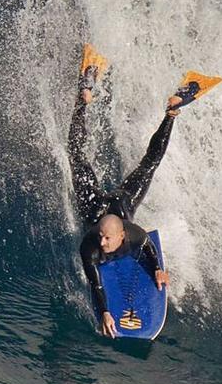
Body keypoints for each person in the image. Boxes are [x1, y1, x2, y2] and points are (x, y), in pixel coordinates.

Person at [69, 44, 185, 338]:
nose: (101, 240)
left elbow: (147, 246)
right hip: (94, 206)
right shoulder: (90, 247)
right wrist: (106, 311)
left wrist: (157, 268)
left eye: (107, 238)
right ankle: (83, 98)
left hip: (121, 204)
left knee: (151, 163)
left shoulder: (135, 235)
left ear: (122, 236)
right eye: (101, 237)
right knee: (75, 154)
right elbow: (95, 283)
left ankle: (171, 113)